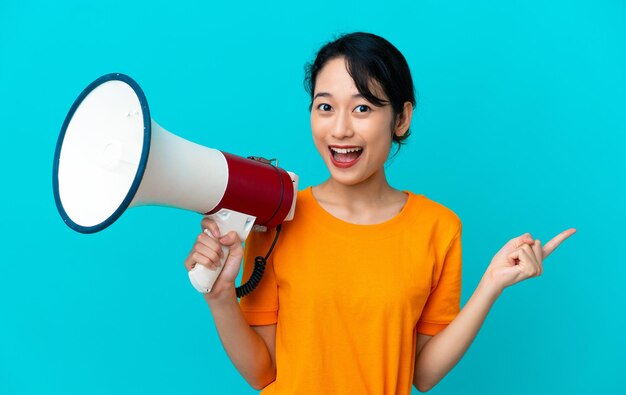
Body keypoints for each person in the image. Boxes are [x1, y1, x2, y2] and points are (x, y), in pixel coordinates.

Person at [183, 32, 575, 394]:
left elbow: (422, 374)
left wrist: (490, 284)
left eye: (362, 108)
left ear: (401, 118)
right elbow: (262, 373)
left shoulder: (438, 228)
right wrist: (219, 297)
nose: (339, 129)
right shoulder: (277, 215)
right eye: (325, 107)